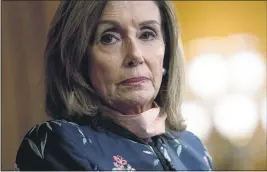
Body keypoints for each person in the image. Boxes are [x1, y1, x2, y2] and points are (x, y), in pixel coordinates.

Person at [15, 1, 213, 171]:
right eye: (109, 38)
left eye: (147, 34)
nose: (135, 55)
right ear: (78, 59)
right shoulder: (59, 143)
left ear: (167, 54)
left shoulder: (193, 148)